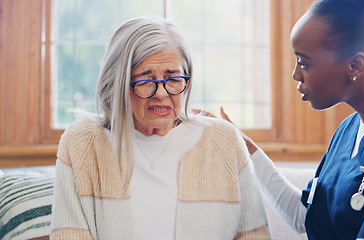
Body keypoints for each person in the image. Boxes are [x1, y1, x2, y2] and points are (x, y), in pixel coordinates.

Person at [207, 0, 364, 239]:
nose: (295, 74)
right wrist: (242, 146)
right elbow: (303, 216)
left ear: (355, 65)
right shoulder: (348, 129)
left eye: (304, 62)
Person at [50, 16, 271, 240]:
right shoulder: (83, 142)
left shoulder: (224, 140)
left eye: (173, 78)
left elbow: (255, 235)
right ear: (117, 83)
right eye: (145, 81)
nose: (162, 93)